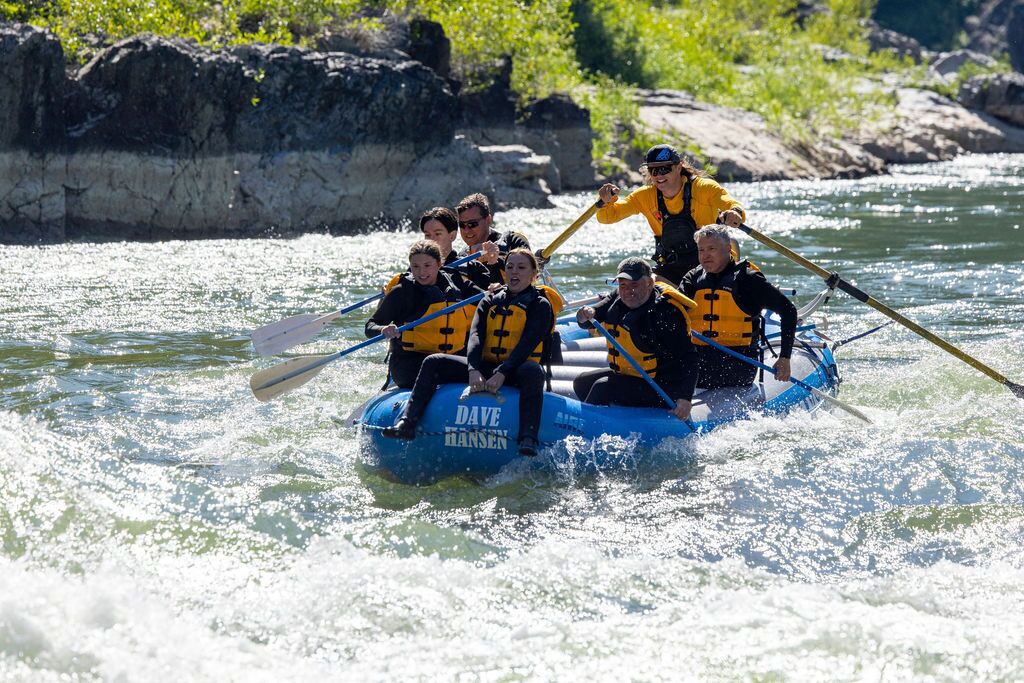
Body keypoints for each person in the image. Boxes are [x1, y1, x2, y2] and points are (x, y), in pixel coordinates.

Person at [382, 249, 559, 456]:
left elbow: (527, 344)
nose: (514, 272)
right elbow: (475, 336)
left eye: (521, 268)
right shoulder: (491, 299)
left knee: (533, 371)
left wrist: (502, 372)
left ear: (533, 274)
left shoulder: (540, 304)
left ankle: (528, 438)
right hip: (485, 367)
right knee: (433, 361)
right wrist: (473, 369)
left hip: (517, 370)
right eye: (510, 267)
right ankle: (407, 423)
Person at [596, 144, 746, 286]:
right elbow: (607, 217)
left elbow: (732, 204)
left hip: (712, 264)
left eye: (664, 169)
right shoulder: (644, 196)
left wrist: (735, 213)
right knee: (649, 283)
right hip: (672, 267)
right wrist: (605, 200)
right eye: (653, 170)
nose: (659, 175)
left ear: (679, 167)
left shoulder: (704, 188)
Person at [574, 257, 698, 421]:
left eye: (634, 285)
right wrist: (584, 314)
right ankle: (609, 420)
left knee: (602, 387)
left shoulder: (664, 313)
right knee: (581, 382)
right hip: (633, 376)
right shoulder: (617, 297)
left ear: (649, 283)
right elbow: (590, 318)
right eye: (623, 285)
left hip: (663, 386)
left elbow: (690, 356)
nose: (628, 291)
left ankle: (585, 426)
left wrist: (685, 397)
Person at [679, 225, 796, 389]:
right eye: (701, 250)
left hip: (738, 366)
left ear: (728, 248)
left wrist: (784, 357)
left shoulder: (749, 280)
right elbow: (672, 311)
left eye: (711, 249)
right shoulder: (693, 278)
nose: (705, 255)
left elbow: (789, 311)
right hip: (699, 361)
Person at [366, 240, 481, 389]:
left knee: (481, 368)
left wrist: (494, 287)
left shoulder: (456, 283)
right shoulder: (401, 292)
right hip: (409, 365)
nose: (421, 272)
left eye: (427, 265)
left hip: (448, 359)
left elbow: (487, 298)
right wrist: (383, 329)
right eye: (416, 266)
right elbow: (370, 326)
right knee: (434, 364)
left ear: (439, 264)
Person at [456, 193, 531, 284]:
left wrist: (494, 261)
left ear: (488, 220)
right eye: (462, 225)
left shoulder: (514, 241)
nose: (466, 230)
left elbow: (528, 274)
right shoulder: (462, 257)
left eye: (472, 224)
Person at [418, 206, 494, 291]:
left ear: (452, 236)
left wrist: (492, 262)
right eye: (427, 235)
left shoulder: (471, 268)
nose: (431, 239)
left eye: (438, 234)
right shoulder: (417, 269)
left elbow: (493, 292)